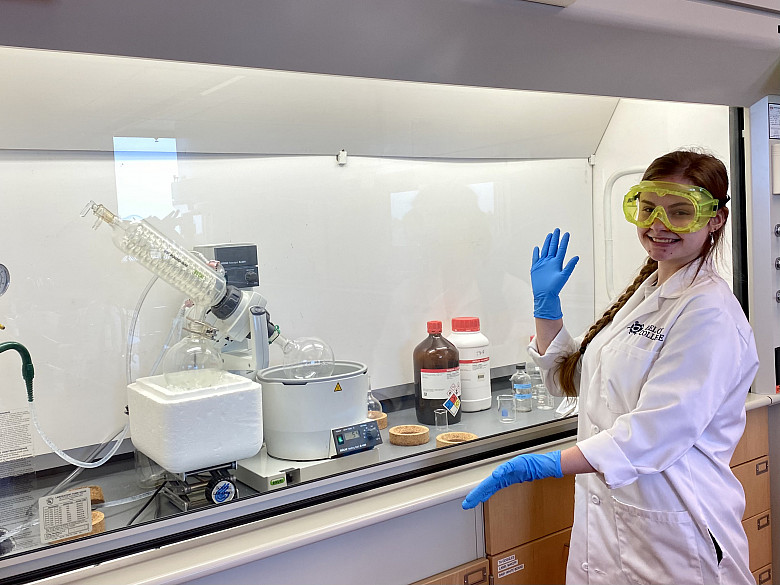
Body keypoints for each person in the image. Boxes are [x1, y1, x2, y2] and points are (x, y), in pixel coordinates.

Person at [462, 149, 759, 585]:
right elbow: (584, 382)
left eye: (681, 212)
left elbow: (658, 430)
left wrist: (542, 465)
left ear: (714, 218)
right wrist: (547, 310)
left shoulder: (708, 312)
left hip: (677, 533)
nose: (659, 224)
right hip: (612, 526)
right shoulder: (646, 294)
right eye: (648, 207)